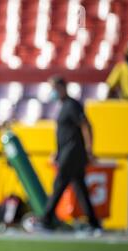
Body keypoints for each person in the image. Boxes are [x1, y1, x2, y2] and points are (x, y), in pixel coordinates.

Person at [41, 76, 102, 234]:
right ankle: (94, 222)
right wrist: (57, 151)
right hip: (66, 152)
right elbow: (65, 132)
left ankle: (46, 220)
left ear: (61, 87)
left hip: (73, 153)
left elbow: (86, 126)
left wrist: (89, 149)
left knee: (59, 184)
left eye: (54, 88)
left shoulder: (72, 105)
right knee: (80, 187)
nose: (52, 92)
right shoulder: (63, 106)